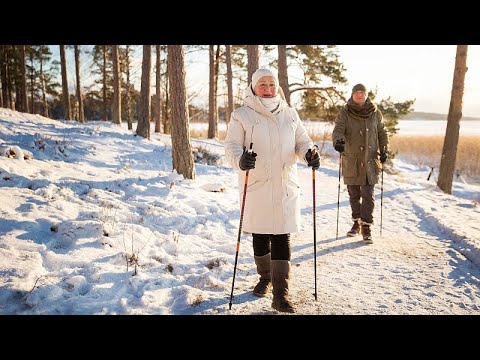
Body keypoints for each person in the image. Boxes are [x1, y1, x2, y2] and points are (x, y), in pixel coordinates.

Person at [224, 68, 319, 313]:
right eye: (262, 84)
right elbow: (232, 147)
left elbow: (302, 141)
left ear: (278, 86)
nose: (268, 88)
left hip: (285, 184)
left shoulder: (290, 114)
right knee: (260, 236)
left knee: (281, 235)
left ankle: (281, 293)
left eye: (271, 83)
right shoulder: (241, 115)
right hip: (256, 184)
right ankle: (265, 277)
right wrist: (240, 160)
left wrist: (309, 153)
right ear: (254, 87)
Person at [332, 83, 389, 244]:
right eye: (356, 92)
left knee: (368, 195)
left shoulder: (375, 112)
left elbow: (382, 132)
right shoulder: (345, 112)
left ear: (366, 95)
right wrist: (338, 141)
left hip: (370, 160)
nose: (359, 95)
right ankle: (356, 222)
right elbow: (338, 129)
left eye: (362, 93)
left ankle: (366, 226)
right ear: (352, 95)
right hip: (352, 159)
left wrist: (384, 149)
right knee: (354, 195)